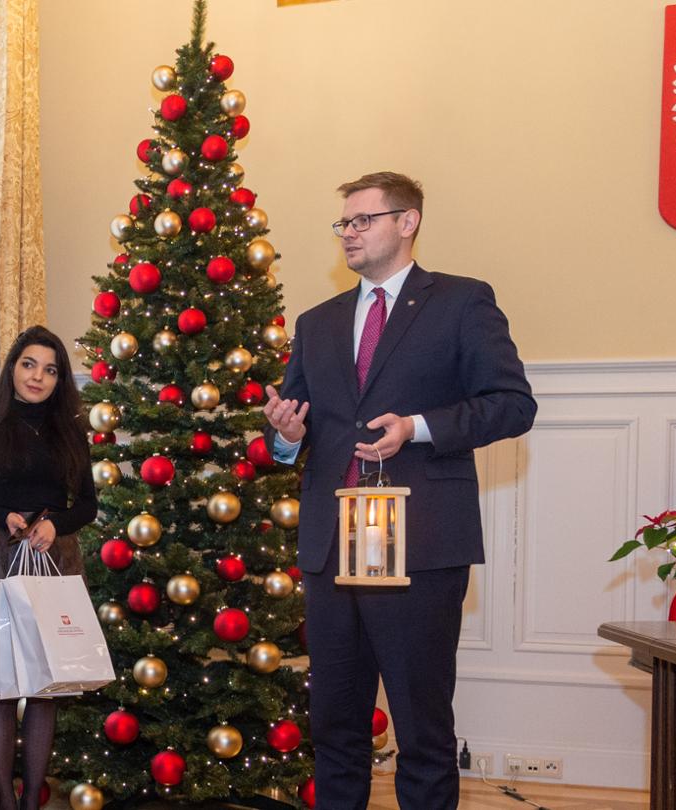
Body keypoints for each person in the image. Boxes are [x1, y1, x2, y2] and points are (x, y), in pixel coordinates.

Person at [261, 172, 535, 809]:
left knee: (422, 729)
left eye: (363, 221)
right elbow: (298, 426)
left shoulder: (462, 302)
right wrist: (285, 434)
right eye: (344, 224)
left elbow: (513, 405)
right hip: (333, 548)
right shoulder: (318, 321)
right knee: (334, 726)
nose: (349, 235)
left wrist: (417, 427)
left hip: (420, 546)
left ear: (407, 222)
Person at [0, 326, 97, 810]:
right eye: (29, 364)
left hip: (56, 559)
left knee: (46, 687)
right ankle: (5, 804)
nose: (38, 377)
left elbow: (88, 506)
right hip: (2, 556)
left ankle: (32, 799)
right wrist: (3, 516)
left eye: (50, 369)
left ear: (59, 380)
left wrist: (57, 524)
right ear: (12, 367)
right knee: (2, 686)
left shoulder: (71, 429)